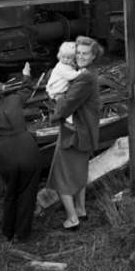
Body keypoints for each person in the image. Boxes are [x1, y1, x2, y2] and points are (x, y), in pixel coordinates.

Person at [47, 36, 103, 230]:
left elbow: (68, 104)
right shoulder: (88, 73)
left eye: (85, 53)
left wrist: (55, 110)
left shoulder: (84, 77)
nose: (80, 56)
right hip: (85, 131)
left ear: (94, 55)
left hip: (74, 134)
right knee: (79, 173)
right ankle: (80, 209)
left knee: (61, 176)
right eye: (78, 52)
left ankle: (72, 219)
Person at [0, 80, 41, 243]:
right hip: (27, 147)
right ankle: (22, 233)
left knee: (10, 193)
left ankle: (8, 231)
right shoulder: (13, 100)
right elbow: (26, 89)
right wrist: (26, 76)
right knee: (27, 192)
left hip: (4, 152)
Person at [45, 42, 81, 128]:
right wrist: (81, 72)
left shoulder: (68, 65)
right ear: (59, 55)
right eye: (63, 57)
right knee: (65, 105)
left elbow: (73, 69)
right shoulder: (61, 67)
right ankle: (67, 119)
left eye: (68, 58)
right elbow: (71, 75)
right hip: (57, 91)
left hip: (63, 88)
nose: (65, 59)